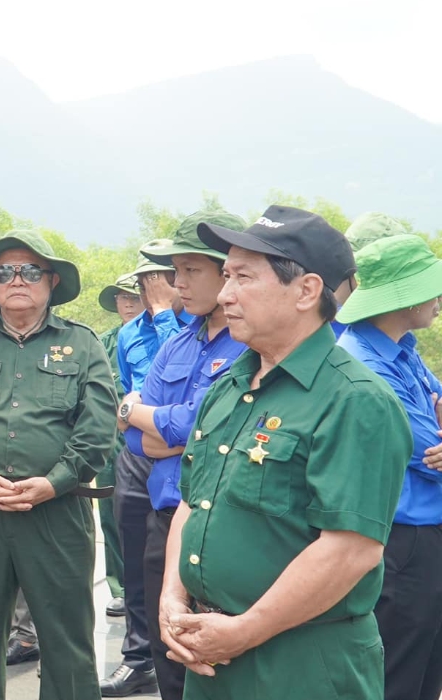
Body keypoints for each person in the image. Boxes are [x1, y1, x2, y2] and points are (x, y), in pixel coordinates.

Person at [160, 206, 410, 700]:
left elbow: (351, 548)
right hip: (211, 653)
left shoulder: (355, 400)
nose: (226, 294)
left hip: (302, 665)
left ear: (307, 291)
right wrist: (173, 597)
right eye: (226, 275)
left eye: (243, 278)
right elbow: (193, 502)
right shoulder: (229, 386)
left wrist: (246, 629)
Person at [0, 227, 117, 700]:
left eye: (31, 270)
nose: (17, 279)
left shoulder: (84, 344)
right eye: (5, 271)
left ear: (51, 281)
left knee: (67, 639)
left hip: (58, 510)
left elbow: (98, 427)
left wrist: (54, 482)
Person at [120, 210, 249, 700]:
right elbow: (141, 443)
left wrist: (138, 412)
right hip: (164, 516)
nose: (178, 283)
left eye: (192, 270)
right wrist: (163, 426)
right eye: (175, 272)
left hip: (219, 524)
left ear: (228, 271)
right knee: (167, 651)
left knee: (221, 661)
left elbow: (198, 428)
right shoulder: (176, 343)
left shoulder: (246, 347)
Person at [334, 234, 442, 700]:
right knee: (398, 671)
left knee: (425, 668)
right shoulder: (367, 362)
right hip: (400, 540)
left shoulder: (403, 349)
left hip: (424, 533)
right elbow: (424, 447)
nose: (438, 299)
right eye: (430, 288)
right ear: (405, 297)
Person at [106, 243, 194, 698]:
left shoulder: (193, 328)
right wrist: (136, 420)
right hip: (138, 456)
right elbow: (127, 400)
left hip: (183, 460)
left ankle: (181, 663)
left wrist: (163, 313)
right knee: (140, 563)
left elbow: (183, 417)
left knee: (182, 570)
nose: (151, 289)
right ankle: (139, 657)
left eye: (159, 280)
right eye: (144, 283)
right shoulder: (128, 334)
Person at [95, 273, 145, 623]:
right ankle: (121, 587)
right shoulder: (102, 342)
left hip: (145, 438)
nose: (127, 303)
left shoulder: (152, 336)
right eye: (121, 297)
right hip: (107, 442)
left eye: (133, 296)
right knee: (111, 517)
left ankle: (145, 586)